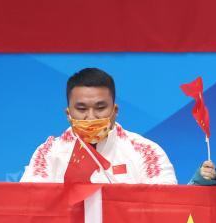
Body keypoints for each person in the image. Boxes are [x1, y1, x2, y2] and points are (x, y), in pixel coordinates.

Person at [21, 68, 177, 184]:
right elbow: (31, 202)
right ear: (68, 114)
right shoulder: (48, 153)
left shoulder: (146, 151)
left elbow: (164, 202)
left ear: (115, 111)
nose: (91, 117)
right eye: (81, 109)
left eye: (100, 108)